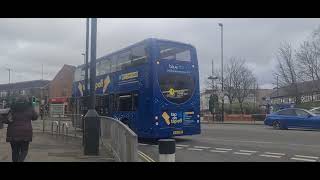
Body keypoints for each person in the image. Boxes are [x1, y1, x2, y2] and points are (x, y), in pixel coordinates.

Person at [6, 96, 38, 162]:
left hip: (13, 133)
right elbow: (35, 117)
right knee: (24, 151)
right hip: (25, 133)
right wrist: (33, 107)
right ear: (26, 100)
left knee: (15, 151)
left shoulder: (12, 107)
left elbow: (7, 119)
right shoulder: (30, 107)